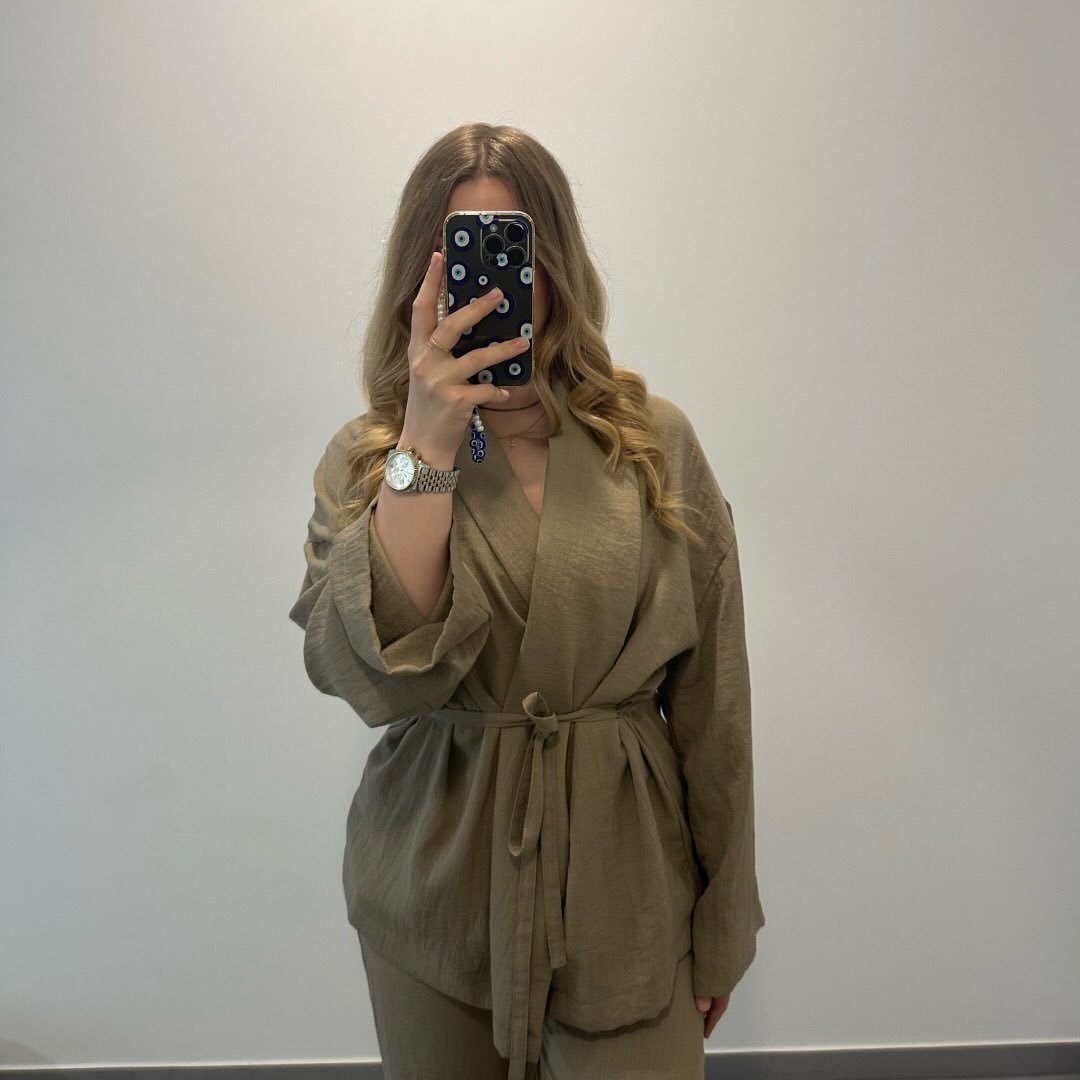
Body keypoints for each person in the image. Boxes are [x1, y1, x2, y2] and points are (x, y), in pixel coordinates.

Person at [288, 122, 765, 1080]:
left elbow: (715, 699)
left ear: (556, 263)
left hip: (625, 884)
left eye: (515, 247)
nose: (496, 284)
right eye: (462, 254)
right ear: (420, 277)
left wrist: (723, 912)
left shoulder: (650, 444)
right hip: (435, 884)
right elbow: (369, 673)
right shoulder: (372, 457)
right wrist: (426, 447)